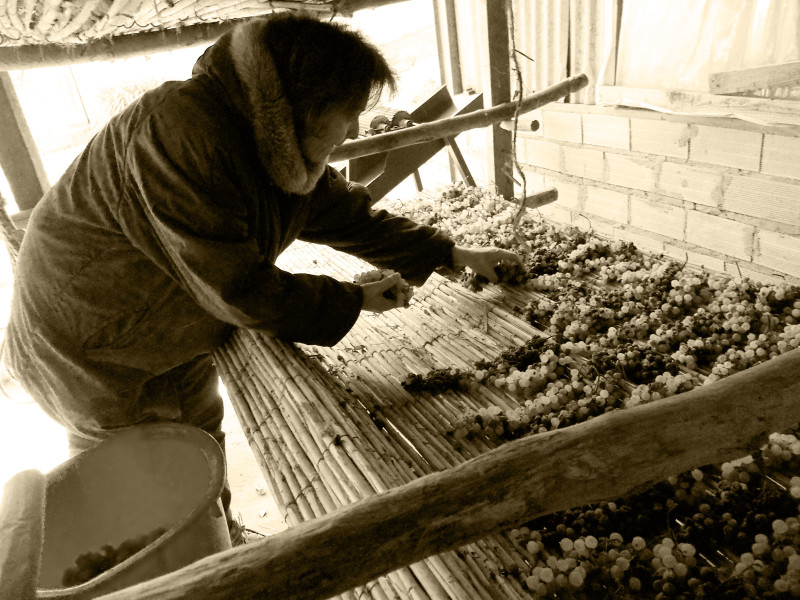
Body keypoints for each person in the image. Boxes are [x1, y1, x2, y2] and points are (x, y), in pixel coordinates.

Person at [4, 11, 521, 544]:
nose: (356, 131)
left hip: (166, 323)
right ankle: (181, 566)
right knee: (138, 481)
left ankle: (218, 539)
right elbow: (236, 288)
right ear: (306, 104)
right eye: (349, 113)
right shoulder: (181, 133)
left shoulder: (271, 141)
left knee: (198, 443)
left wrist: (452, 252)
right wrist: (349, 299)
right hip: (86, 342)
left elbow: (347, 215)